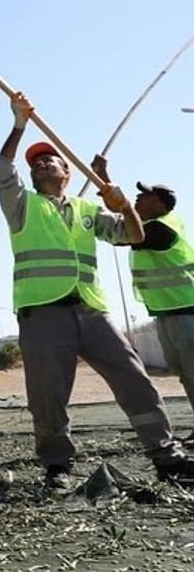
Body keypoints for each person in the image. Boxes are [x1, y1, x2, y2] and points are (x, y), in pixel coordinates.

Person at [0, 93, 194, 488]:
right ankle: (57, 467)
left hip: (92, 311)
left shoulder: (89, 211)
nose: (41, 163)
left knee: (135, 379)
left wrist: (123, 204)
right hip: (43, 312)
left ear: (68, 172)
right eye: (36, 162)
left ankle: (167, 457)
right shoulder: (22, 206)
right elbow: (3, 166)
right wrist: (19, 125)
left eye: (49, 158)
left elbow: (133, 234)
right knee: (48, 394)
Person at [90, 161, 194, 431]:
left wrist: (107, 190)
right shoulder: (151, 224)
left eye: (144, 195)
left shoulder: (164, 226)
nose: (138, 198)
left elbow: (129, 234)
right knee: (185, 373)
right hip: (167, 312)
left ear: (161, 204)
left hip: (188, 309)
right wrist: (103, 180)